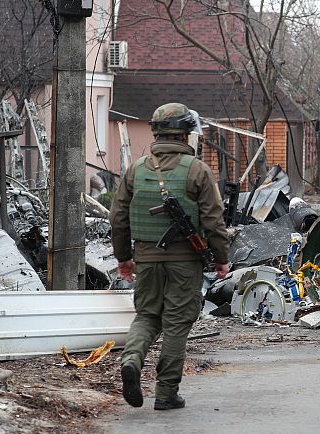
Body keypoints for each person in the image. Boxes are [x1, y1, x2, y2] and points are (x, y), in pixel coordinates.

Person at [110, 103, 230, 411]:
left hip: (146, 259)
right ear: (186, 134)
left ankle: (132, 361)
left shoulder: (135, 169)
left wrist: (123, 257)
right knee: (176, 323)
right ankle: (165, 393)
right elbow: (214, 221)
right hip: (185, 262)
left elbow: (118, 217)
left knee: (147, 316)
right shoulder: (197, 170)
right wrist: (221, 258)